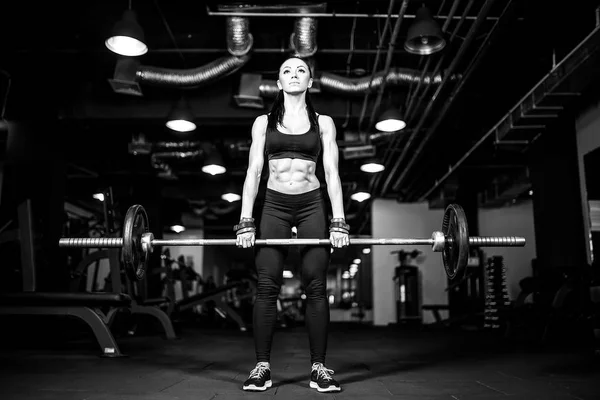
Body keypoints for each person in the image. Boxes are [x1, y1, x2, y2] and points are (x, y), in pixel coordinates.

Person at [235, 56, 349, 393]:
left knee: (315, 285)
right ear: (280, 82)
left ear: (309, 81)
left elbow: (332, 174)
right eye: (286, 70)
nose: (294, 74)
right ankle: (262, 367)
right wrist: (246, 221)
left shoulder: (323, 122)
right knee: (267, 285)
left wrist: (339, 222)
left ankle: (319, 368)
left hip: (311, 204)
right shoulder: (263, 122)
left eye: (301, 70)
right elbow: (253, 173)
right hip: (274, 206)